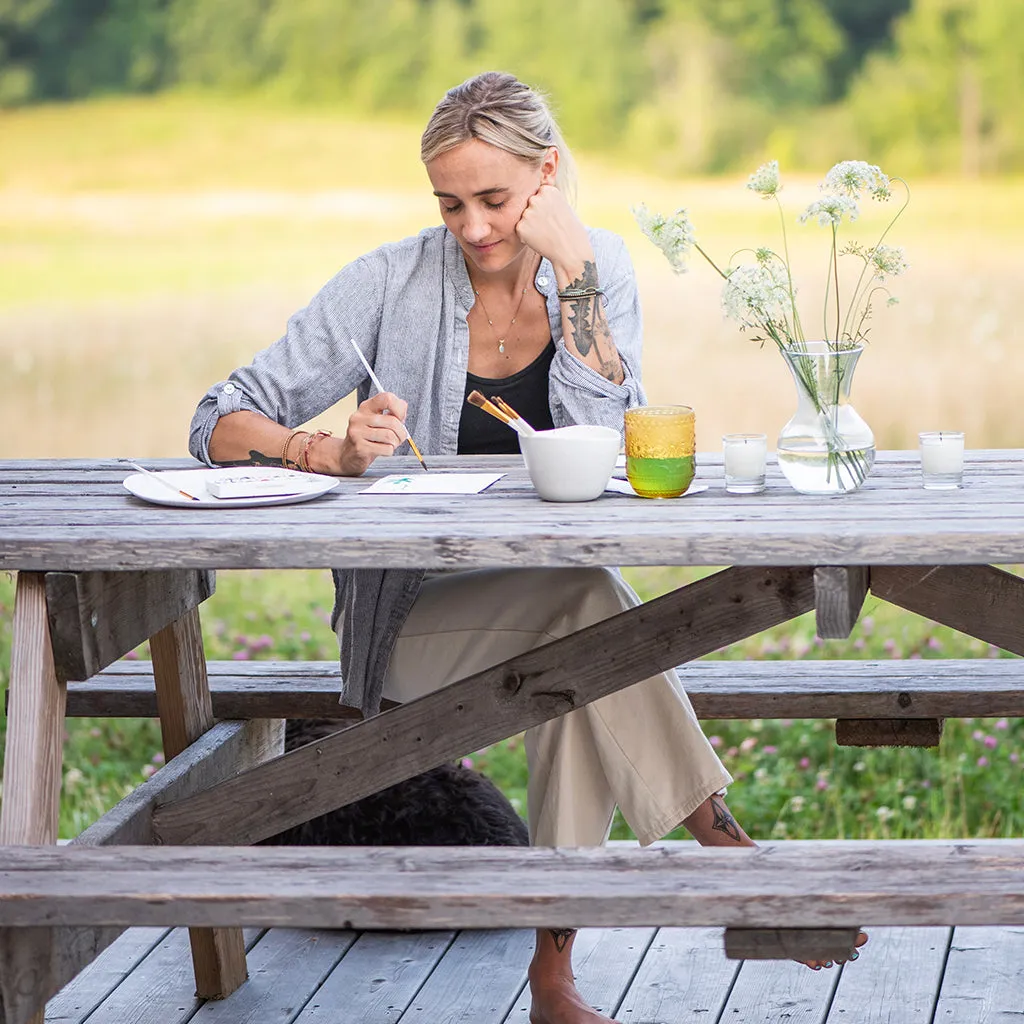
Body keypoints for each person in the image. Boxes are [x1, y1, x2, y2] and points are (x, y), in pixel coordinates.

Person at [189, 70, 863, 1024]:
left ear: (546, 178)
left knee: (576, 644)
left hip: (551, 600)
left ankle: (558, 980)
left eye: (495, 200)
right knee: (585, 613)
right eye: (451, 202)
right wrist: (325, 450)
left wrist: (577, 275)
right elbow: (218, 417)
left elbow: (617, 435)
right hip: (412, 620)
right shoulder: (391, 280)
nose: (472, 227)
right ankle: (732, 860)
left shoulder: (598, 268)